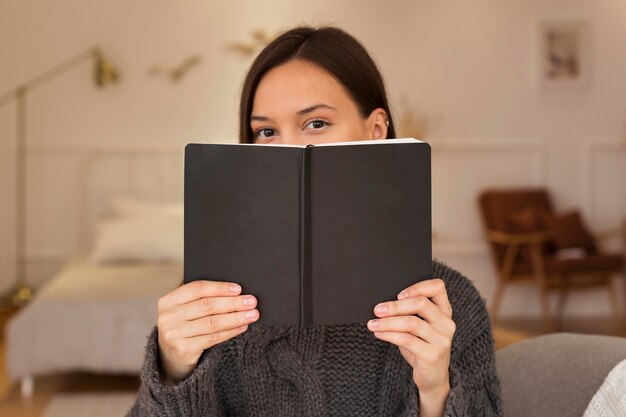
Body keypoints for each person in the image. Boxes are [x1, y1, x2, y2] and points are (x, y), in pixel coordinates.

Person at [127, 25, 503, 417]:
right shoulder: (211, 305)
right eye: (266, 131)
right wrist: (172, 372)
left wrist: (435, 393)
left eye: (316, 123)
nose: (289, 148)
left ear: (376, 131)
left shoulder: (450, 306)